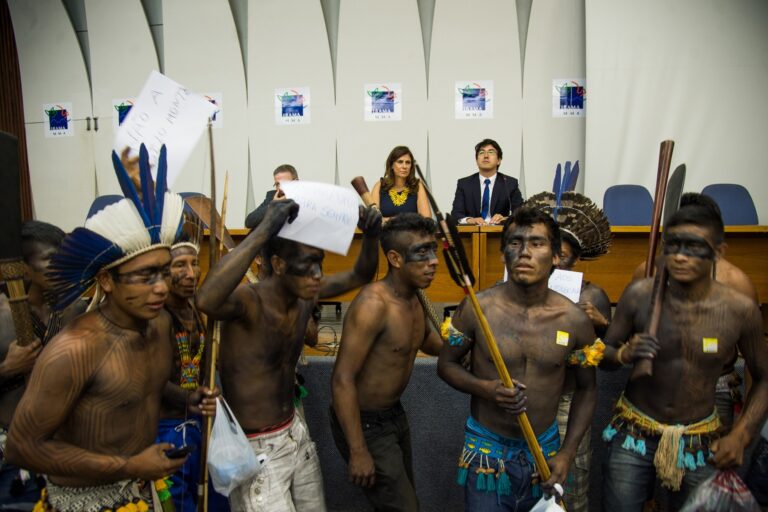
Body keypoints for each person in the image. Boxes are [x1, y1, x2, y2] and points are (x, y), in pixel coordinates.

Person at [5, 145, 217, 512]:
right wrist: (129, 466)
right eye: (145, 276)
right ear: (106, 280)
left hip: (144, 492)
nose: (162, 287)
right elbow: (22, 447)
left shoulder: (158, 325)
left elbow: (139, 390)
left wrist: (187, 400)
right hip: (82, 503)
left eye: (163, 273)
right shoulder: (75, 348)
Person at [196, 197, 382, 512]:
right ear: (279, 265)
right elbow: (207, 298)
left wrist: (372, 235)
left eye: (319, 262)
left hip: (294, 434)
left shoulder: (305, 295)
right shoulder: (249, 302)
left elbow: (359, 275)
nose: (316, 274)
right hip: (257, 450)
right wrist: (265, 228)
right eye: (307, 264)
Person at [599, 204, 768, 511]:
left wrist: (742, 434)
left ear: (718, 251)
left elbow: (764, 376)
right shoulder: (639, 294)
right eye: (672, 246)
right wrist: (623, 353)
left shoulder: (739, 310)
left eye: (693, 247)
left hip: (699, 440)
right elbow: (603, 356)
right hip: (632, 435)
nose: (679, 256)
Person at [438, 207, 597, 511]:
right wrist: (488, 389)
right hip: (487, 450)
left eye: (537, 243)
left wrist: (566, 453)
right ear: (503, 255)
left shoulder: (574, 319)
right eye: (515, 242)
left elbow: (587, 389)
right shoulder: (477, 308)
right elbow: (446, 365)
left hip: (544, 452)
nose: (524, 252)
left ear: (555, 256)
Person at [330, 213, 442, 511]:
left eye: (434, 249)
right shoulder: (374, 304)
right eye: (422, 252)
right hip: (365, 423)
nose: (434, 261)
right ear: (394, 258)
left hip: (394, 416)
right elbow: (342, 380)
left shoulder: (414, 297)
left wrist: (463, 349)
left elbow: (425, 339)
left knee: (403, 503)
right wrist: (358, 450)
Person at [630, 192, 759, 431]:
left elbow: (755, 363)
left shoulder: (736, 284)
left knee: (707, 465)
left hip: (714, 387)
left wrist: (745, 425)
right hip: (652, 387)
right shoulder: (647, 272)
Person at [525, 191, 613, 512]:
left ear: (576, 257)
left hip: (568, 403)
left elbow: (610, 358)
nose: (557, 261)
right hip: (527, 402)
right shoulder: (523, 290)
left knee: (568, 491)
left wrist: (599, 324)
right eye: (551, 251)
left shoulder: (594, 295)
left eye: (565, 255)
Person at [0, 221, 86, 510]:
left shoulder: (74, 309)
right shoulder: (2, 315)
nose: (60, 266)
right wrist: (8, 368)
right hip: (13, 454)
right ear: (23, 267)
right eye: (50, 259)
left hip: (65, 449)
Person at [157, 239, 229, 511]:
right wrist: (187, 397)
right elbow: (148, 377)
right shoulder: (156, 317)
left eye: (195, 263)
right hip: (165, 427)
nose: (191, 273)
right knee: (179, 501)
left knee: (213, 497)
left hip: (200, 423)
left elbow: (209, 366)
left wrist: (211, 390)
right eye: (180, 265)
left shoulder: (199, 310)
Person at [450, 138, 523, 225]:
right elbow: (456, 214)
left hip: (500, 234)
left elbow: (520, 212)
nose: (486, 156)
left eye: (491, 152)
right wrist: (470, 220)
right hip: (472, 233)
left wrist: (504, 218)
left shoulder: (509, 183)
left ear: (499, 160)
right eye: (481, 152)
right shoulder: (464, 184)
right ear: (477, 161)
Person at [370, 146, 431, 221]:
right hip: (385, 232)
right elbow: (374, 220)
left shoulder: (417, 185)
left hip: (410, 232)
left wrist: (387, 220)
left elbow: (426, 220)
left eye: (408, 162)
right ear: (391, 165)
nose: (404, 166)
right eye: (400, 162)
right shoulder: (380, 185)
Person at [244, 164, 298, 229]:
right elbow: (249, 222)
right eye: (277, 184)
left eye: (284, 183)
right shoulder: (272, 197)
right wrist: (273, 205)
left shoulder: (308, 197)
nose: (280, 188)